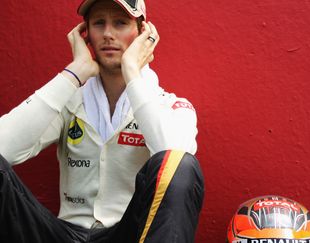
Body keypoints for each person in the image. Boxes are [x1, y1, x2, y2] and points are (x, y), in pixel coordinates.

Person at [0, 0, 204, 242]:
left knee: (180, 163)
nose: (108, 34)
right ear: (86, 34)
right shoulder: (70, 100)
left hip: (128, 234)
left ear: (143, 33)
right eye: (99, 23)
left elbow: (175, 166)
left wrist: (132, 71)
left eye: (120, 23)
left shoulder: (172, 107)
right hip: (64, 235)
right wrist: (75, 73)